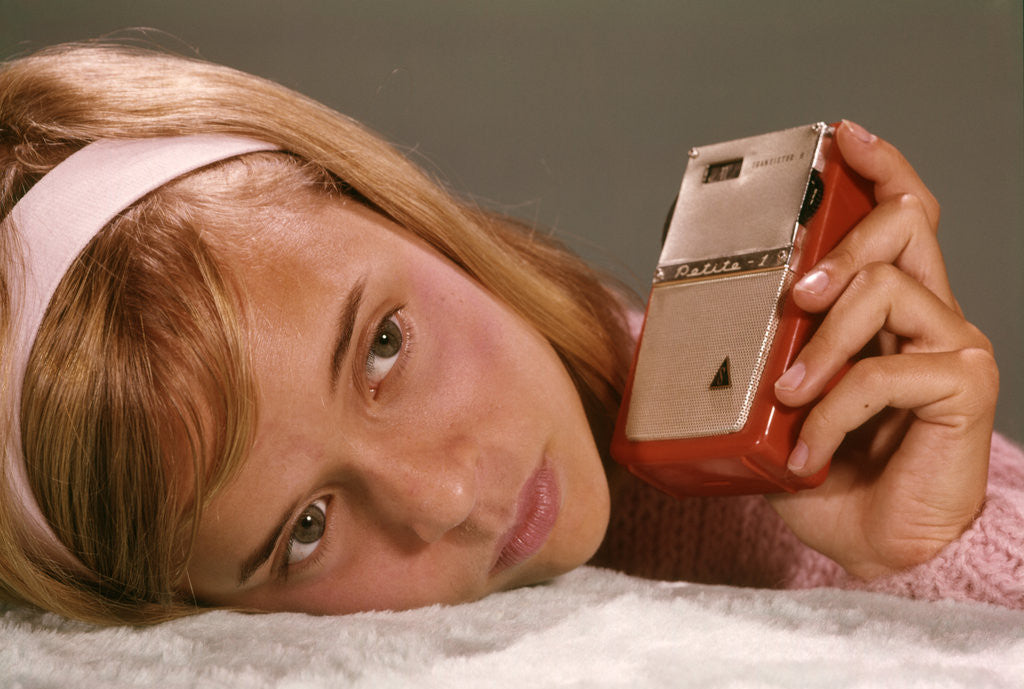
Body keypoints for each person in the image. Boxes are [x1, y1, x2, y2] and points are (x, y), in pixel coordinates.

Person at [0, 43, 1020, 625]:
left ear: (401, 212)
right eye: (302, 530)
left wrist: (929, 558)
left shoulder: (796, 425)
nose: (445, 498)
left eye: (383, 347)